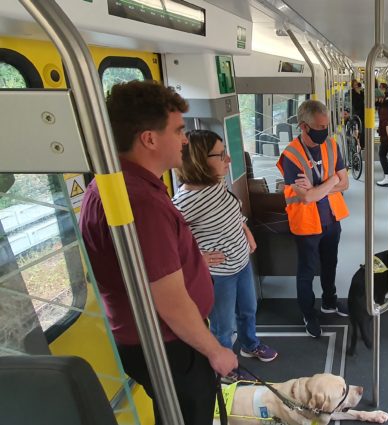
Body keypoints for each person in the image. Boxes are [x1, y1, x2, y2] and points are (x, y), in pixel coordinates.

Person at [79, 80, 237, 425]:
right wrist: (215, 350)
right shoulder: (142, 202)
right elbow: (168, 299)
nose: (185, 139)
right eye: (179, 130)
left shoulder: (112, 183)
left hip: (157, 340)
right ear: (149, 139)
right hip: (170, 344)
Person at [173, 130, 278, 368]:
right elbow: (167, 242)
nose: (228, 160)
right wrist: (197, 259)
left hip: (241, 262)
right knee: (223, 326)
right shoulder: (184, 202)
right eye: (221, 155)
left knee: (248, 310)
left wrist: (247, 232)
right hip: (220, 275)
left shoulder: (216, 183)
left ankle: (250, 345)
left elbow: (231, 211)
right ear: (200, 160)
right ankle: (224, 368)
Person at [276, 100, 350, 338]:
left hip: (331, 218)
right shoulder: (291, 156)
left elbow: (346, 183)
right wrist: (331, 181)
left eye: (326, 125)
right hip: (307, 224)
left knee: (331, 264)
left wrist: (320, 187)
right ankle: (308, 313)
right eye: (319, 126)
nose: (324, 131)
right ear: (304, 127)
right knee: (307, 271)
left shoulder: (331, 145)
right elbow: (307, 198)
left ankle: (330, 301)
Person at [376, 82, 388, 187]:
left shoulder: (386, 106)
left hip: (387, 133)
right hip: (386, 133)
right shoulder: (386, 103)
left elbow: (387, 123)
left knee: (382, 154)